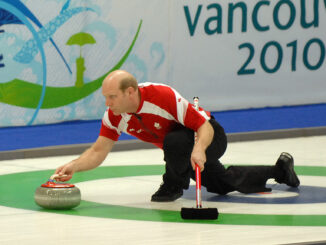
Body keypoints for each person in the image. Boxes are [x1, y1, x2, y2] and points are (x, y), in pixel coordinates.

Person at [54, 70, 300, 202]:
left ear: (130, 92)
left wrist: (200, 149)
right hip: (182, 150)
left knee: (175, 141)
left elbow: (204, 126)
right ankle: (280, 171)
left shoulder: (162, 96)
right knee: (220, 184)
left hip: (209, 136)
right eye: (105, 98)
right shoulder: (115, 116)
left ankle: (173, 185)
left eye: (112, 97)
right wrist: (74, 165)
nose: (107, 103)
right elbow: (98, 150)